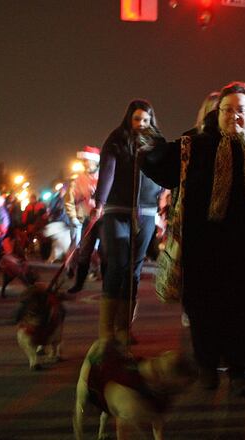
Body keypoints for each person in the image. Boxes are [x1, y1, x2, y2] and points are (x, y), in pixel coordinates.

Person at [141, 82, 245, 397]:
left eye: (241, 110)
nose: (234, 116)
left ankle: (240, 372)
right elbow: (160, 166)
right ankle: (206, 366)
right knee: (205, 312)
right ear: (217, 114)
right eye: (228, 110)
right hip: (205, 249)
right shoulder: (194, 146)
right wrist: (149, 143)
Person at [94, 100, 162, 346]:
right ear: (128, 119)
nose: (141, 125)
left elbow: (165, 175)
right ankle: (106, 332)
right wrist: (99, 201)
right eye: (137, 119)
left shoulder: (156, 143)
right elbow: (107, 171)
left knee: (134, 270)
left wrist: (165, 203)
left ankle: (124, 328)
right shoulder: (116, 140)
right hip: (117, 209)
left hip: (146, 212)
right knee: (117, 266)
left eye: (145, 120)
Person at [65, 146, 100, 293]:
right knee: (84, 251)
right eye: (85, 161)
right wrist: (73, 216)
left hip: (104, 219)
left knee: (105, 252)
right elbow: (70, 199)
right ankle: (78, 283)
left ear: (95, 162)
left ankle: (107, 285)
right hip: (86, 219)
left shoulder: (105, 175)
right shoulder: (78, 180)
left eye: (88, 161)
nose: (86, 164)